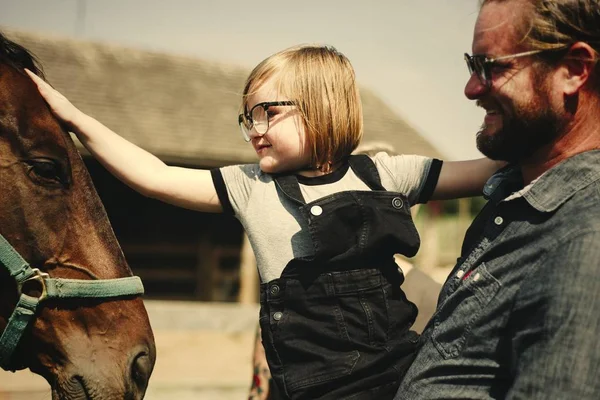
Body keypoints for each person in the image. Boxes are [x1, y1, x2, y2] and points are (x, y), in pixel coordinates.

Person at [27, 44, 501, 399]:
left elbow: (493, 170)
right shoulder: (250, 186)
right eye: (248, 117)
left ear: (320, 107)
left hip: (397, 380)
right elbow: (155, 176)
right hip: (309, 388)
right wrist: (73, 118)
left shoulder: (387, 173)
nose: (254, 129)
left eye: (267, 113)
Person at [395, 1, 600, 399]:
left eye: (493, 67)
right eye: (473, 65)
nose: (472, 87)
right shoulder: (515, 199)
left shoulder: (585, 240)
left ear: (574, 70)